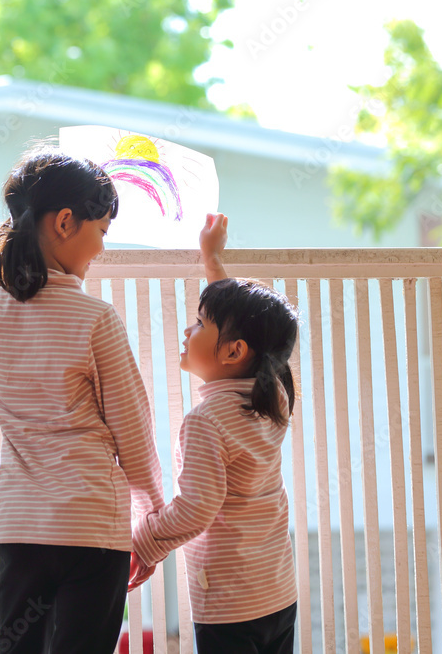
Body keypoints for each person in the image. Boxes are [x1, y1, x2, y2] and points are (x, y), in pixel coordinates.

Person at [0, 146, 165, 654]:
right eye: (101, 231)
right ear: (63, 222)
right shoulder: (95, 320)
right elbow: (133, 431)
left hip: (19, 530)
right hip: (91, 528)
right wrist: (153, 521)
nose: (100, 248)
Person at [129, 213, 299, 653]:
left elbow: (196, 508)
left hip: (230, 603)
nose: (188, 330)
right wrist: (213, 260)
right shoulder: (274, 396)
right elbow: (245, 325)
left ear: (235, 351)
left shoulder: (206, 421)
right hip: (278, 592)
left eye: (200, 324)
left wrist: (144, 541)